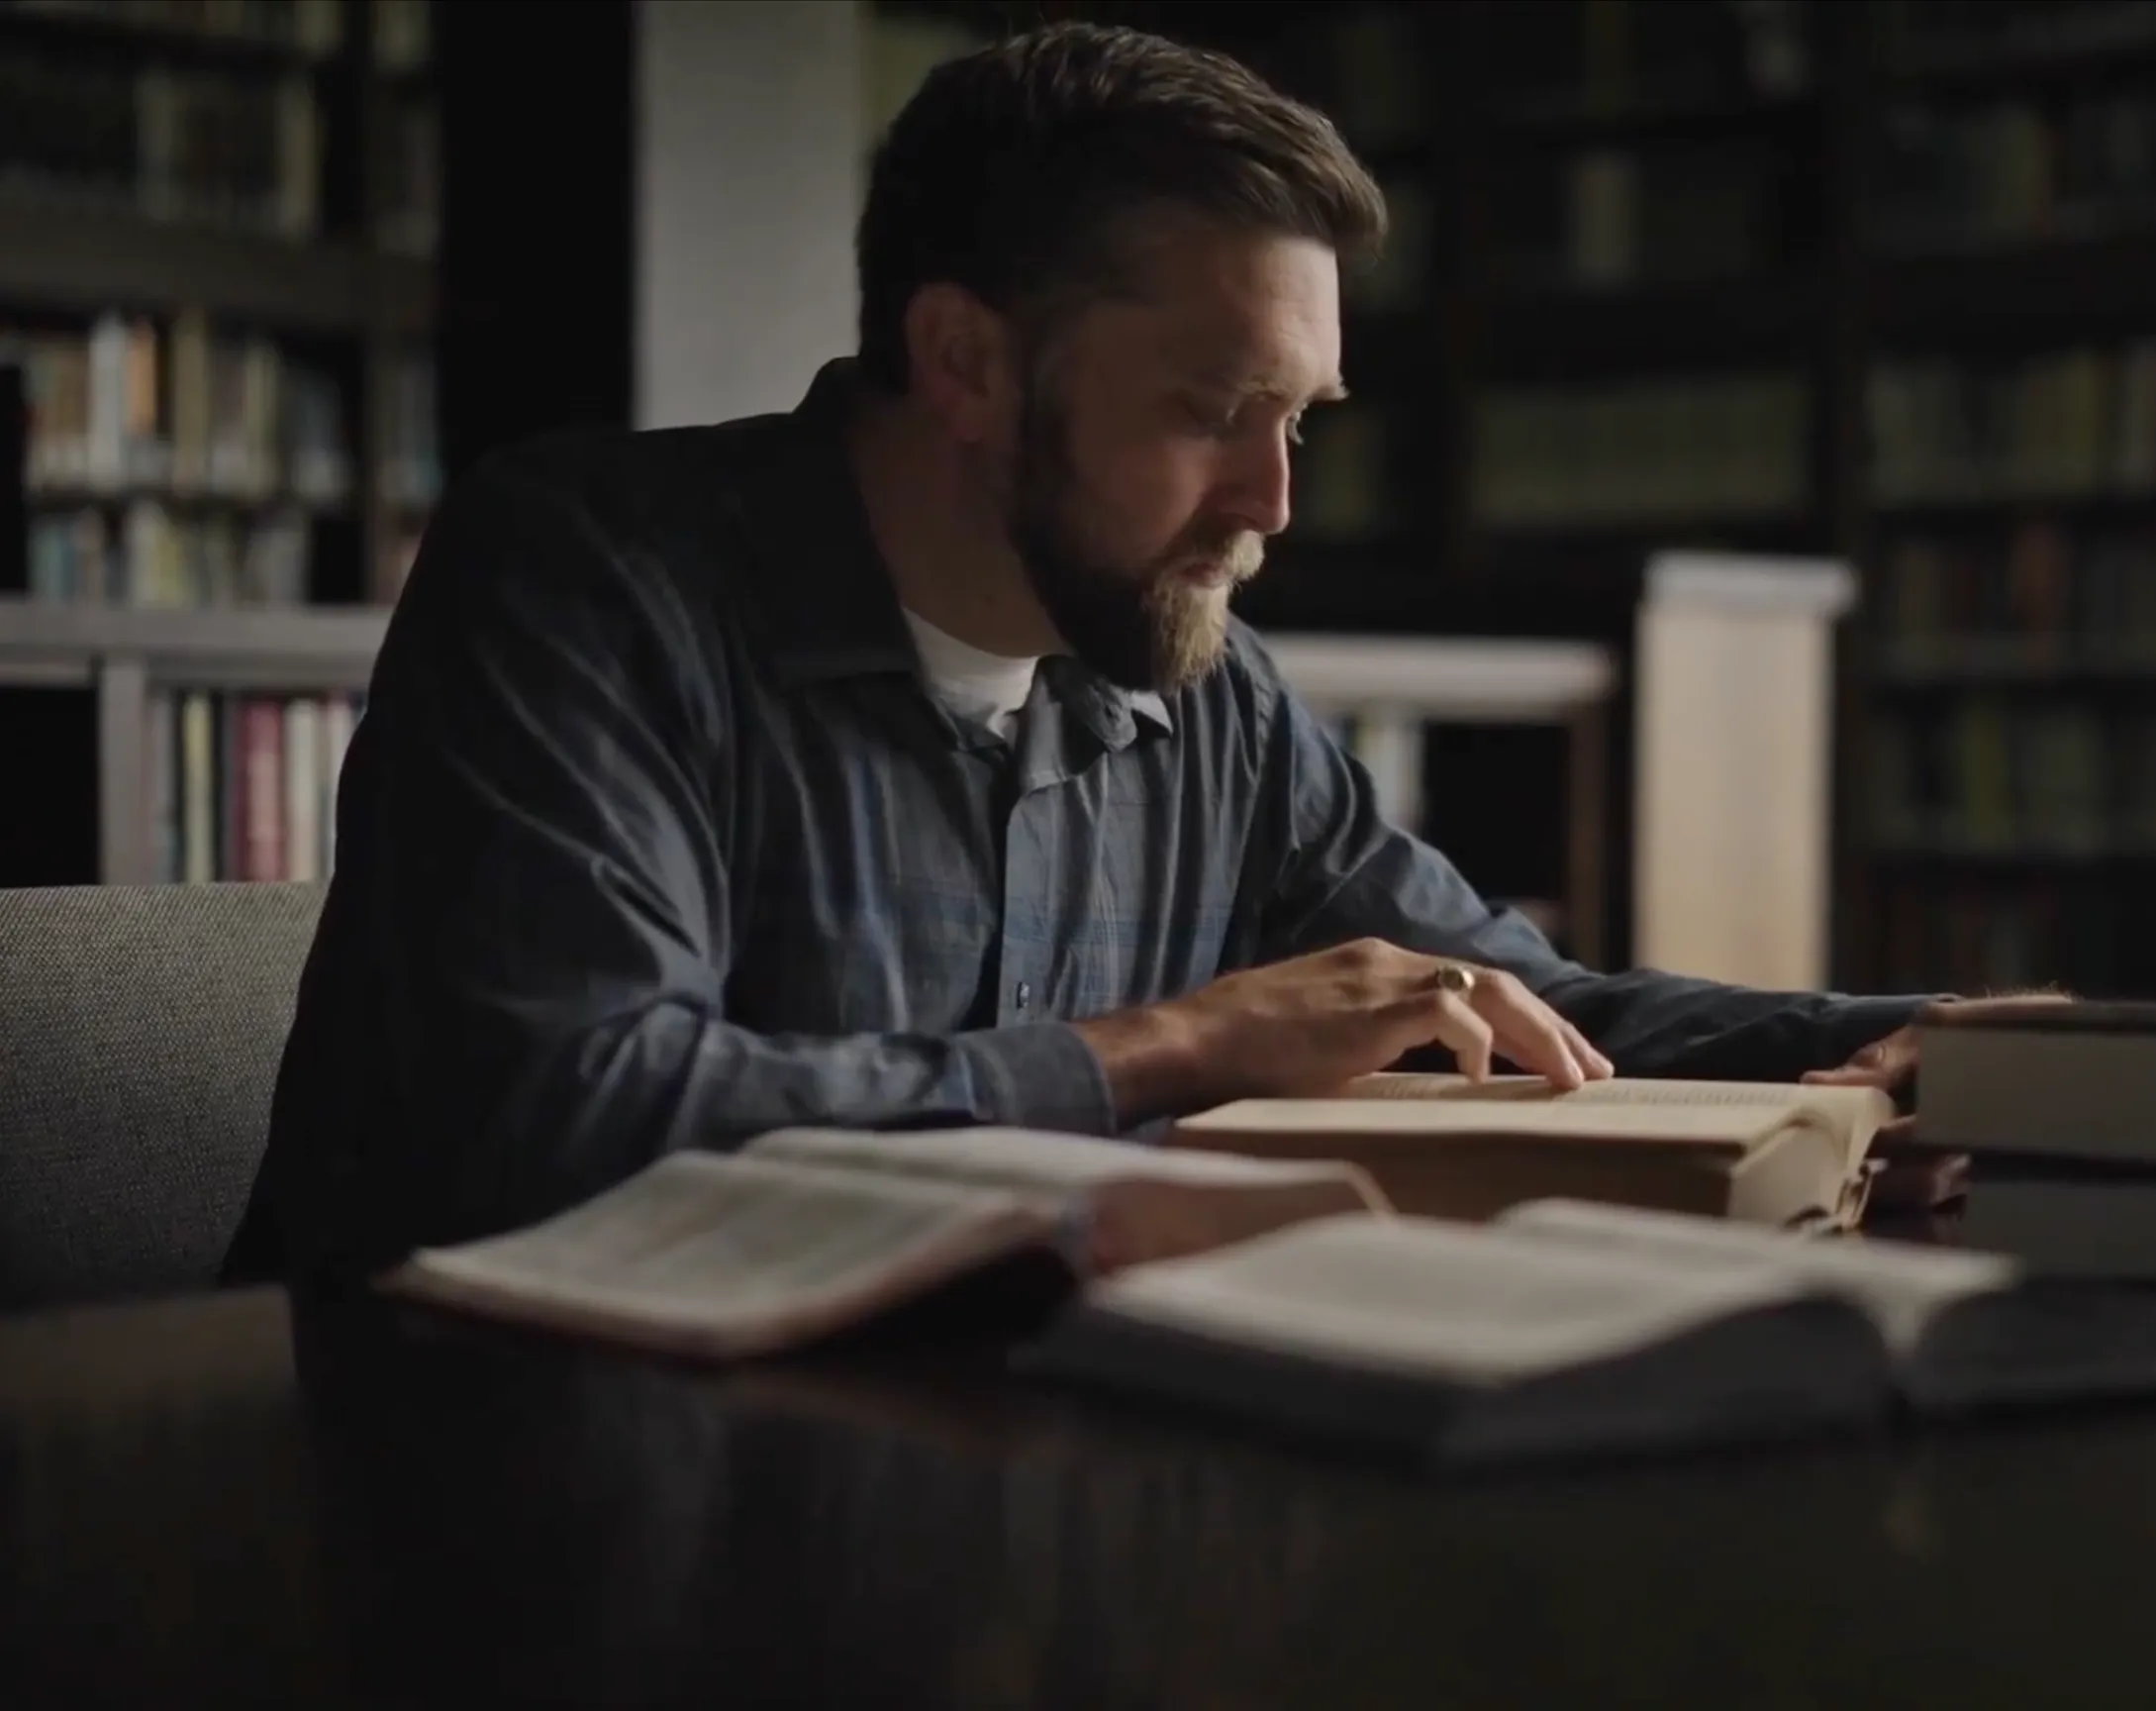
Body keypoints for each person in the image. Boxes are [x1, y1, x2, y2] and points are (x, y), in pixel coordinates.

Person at [222, 22, 2008, 1287]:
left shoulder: (1194, 686)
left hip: (929, 1489)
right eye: (1222, 412)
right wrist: (1172, 1047)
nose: (1275, 501)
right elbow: (563, 1114)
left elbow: (1498, 1005)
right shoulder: (586, 579)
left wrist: (1914, 1037)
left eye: (1304, 418)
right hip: (433, 1499)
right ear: (970, 363)